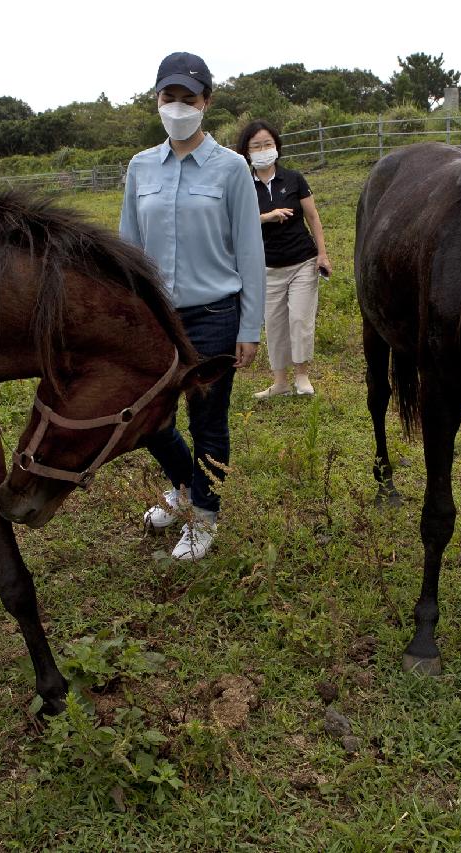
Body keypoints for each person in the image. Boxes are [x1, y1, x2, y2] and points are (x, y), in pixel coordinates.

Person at [119, 51, 265, 561]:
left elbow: (249, 251)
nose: (177, 107)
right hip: (156, 319)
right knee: (149, 419)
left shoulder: (231, 170)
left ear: (206, 103)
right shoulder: (140, 168)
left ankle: (204, 517)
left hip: (214, 317)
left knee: (207, 423)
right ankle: (184, 488)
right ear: (156, 99)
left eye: (189, 98)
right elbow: (129, 251)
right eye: (169, 97)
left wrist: (250, 327)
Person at [235, 121, 332, 399]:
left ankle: (302, 376)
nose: (263, 150)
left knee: (300, 319)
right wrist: (267, 216)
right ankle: (280, 383)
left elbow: (313, 217)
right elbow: (235, 223)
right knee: (275, 324)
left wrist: (322, 254)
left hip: (302, 261)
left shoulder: (294, 179)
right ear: (247, 152)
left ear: (277, 146)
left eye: (268, 144)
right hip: (266, 266)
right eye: (256, 146)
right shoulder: (242, 185)